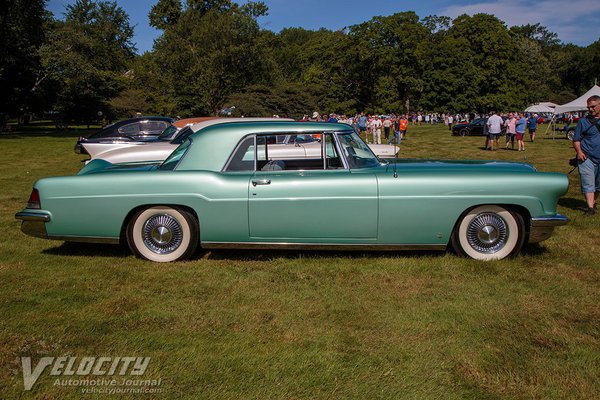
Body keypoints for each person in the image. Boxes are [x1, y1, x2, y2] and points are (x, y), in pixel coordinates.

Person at [572, 95, 600, 215]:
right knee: (588, 183)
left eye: (593, 106)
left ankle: (593, 202)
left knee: (598, 185)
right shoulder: (583, 121)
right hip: (587, 157)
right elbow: (576, 139)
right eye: (588, 107)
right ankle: (590, 208)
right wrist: (579, 152)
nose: (590, 109)